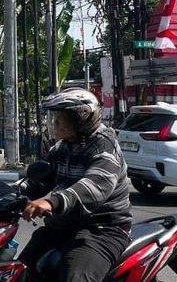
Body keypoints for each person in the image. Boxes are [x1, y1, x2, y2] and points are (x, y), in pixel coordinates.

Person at [17, 88, 132, 282]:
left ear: (81, 118)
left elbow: (93, 187)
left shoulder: (104, 145)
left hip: (102, 229)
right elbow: (42, 178)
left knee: (75, 276)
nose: (55, 123)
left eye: (61, 118)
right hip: (64, 226)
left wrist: (51, 202)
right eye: (54, 117)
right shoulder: (62, 146)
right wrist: (10, 193)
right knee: (21, 269)